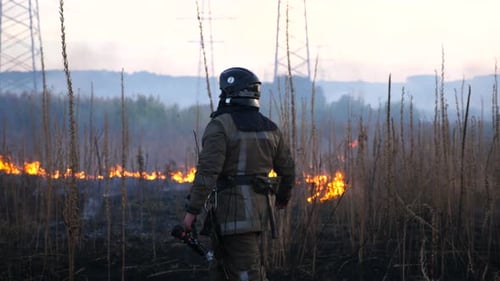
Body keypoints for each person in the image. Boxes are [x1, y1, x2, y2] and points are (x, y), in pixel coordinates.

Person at [182, 66, 295, 281]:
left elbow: (207, 173)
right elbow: (288, 170)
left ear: (229, 94)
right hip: (261, 216)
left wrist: (191, 212)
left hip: (232, 217)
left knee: (246, 275)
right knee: (231, 271)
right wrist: (282, 197)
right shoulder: (271, 128)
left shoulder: (220, 126)